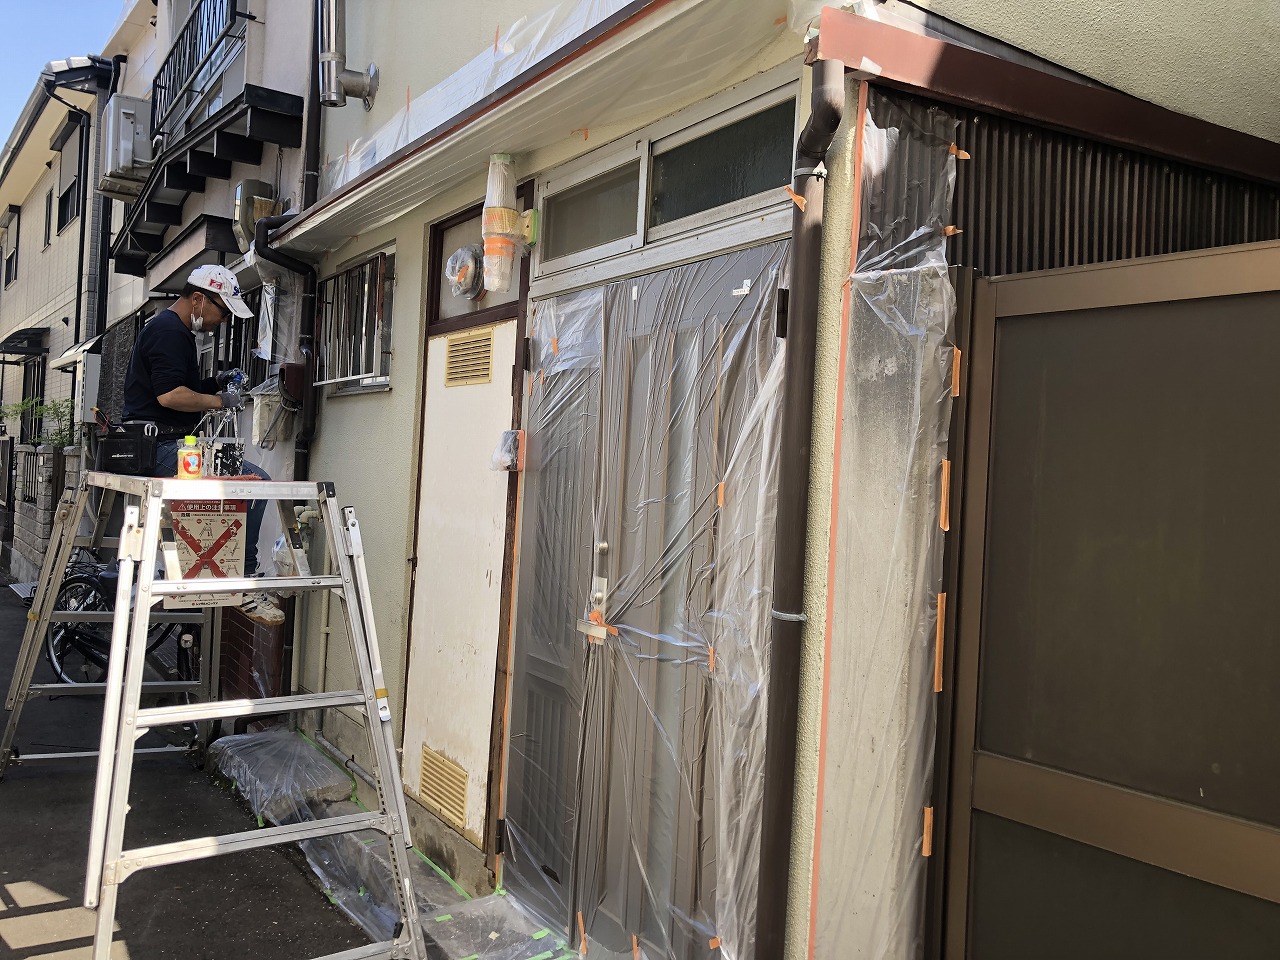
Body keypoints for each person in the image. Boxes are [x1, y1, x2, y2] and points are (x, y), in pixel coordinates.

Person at [120, 264, 283, 625]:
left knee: (247, 483)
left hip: (159, 442)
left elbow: (181, 387)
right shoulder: (170, 332)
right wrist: (221, 401)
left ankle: (218, 570)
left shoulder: (171, 330)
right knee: (255, 484)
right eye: (221, 312)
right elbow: (170, 395)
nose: (220, 322)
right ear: (198, 299)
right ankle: (243, 580)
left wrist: (215, 383)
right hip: (158, 447)